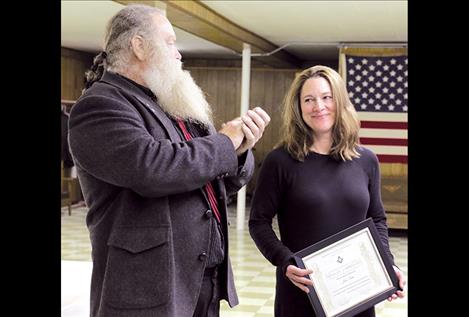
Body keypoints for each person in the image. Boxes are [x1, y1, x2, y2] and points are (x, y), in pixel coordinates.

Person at [68, 4, 270, 317]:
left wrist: (240, 150)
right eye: (170, 42)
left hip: (201, 280)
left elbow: (212, 178)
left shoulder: (171, 103)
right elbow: (153, 168)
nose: (178, 54)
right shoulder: (99, 106)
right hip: (148, 289)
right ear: (138, 45)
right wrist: (225, 141)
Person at [248, 65, 405, 317]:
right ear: (298, 108)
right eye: (308, 99)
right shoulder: (280, 161)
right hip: (302, 289)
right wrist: (285, 262)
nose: (318, 106)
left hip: (357, 293)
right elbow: (258, 222)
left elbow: (377, 219)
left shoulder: (366, 160)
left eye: (326, 97)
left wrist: (388, 265)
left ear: (339, 101)